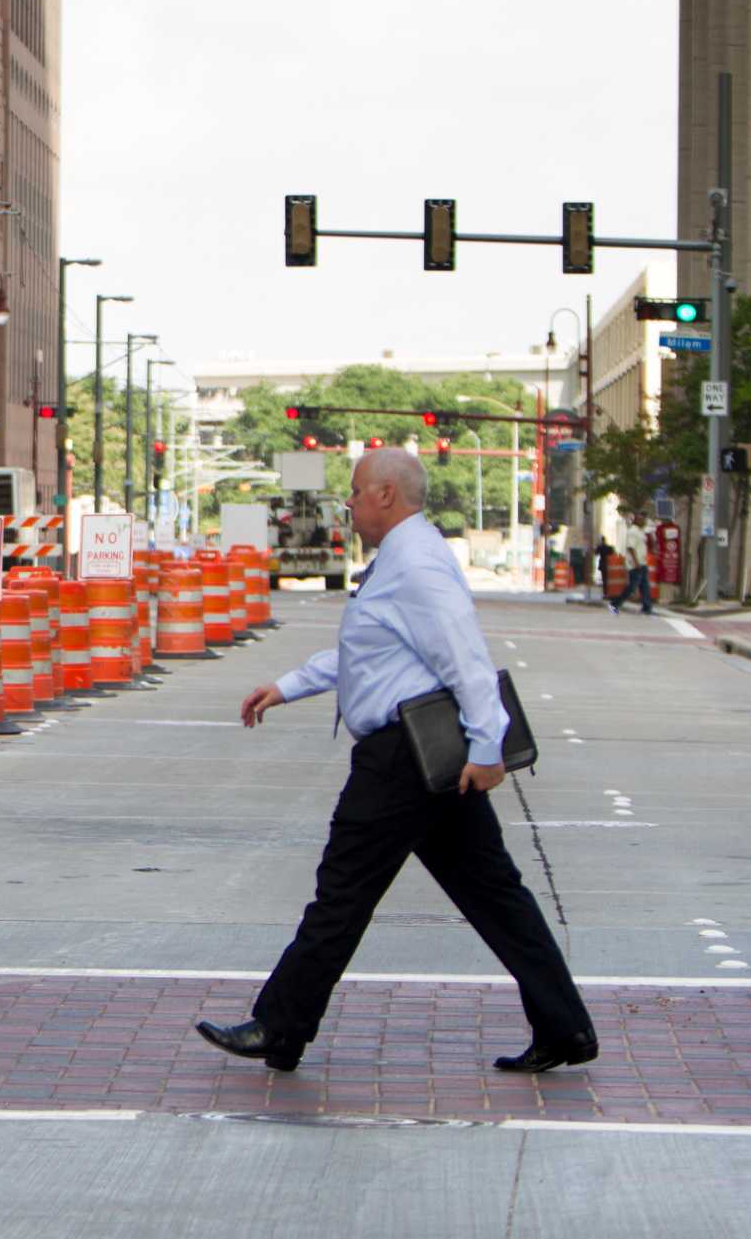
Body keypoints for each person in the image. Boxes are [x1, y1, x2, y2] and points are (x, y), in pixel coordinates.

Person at [195, 447, 595, 1075]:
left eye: (355, 493)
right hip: (424, 756)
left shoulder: (417, 564)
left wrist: (489, 748)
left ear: (386, 494)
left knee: (343, 892)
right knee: (497, 897)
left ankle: (279, 1026)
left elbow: (465, 657)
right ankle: (564, 1028)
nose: (348, 505)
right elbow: (374, 654)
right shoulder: (402, 560)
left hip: (403, 760)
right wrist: (290, 684)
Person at [624, 545, 654, 616]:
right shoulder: (633, 534)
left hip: (642, 564)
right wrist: (636, 562)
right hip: (636, 565)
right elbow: (631, 548)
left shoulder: (642, 537)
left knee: (644, 586)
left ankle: (647, 606)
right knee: (636, 585)